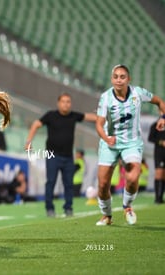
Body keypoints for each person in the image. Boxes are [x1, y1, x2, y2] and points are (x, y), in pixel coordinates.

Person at [95, 64, 165, 226]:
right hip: (109, 142)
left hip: (131, 143)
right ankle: (107, 216)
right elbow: (99, 124)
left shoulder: (137, 93)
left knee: (133, 177)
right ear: (112, 79)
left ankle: (127, 206)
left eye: (122, 77)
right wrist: (106, 138)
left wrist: (163, 118)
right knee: (103, 184)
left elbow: (160, 102)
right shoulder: (105, 97)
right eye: (115, 77)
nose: (118, 80)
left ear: (129, 79)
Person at [25, 93, 97, 217]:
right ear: (58, 103)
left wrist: (103, 115)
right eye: (63, 101)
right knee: (51, 182)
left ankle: (68, 208)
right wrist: (29, 141)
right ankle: (49, 209)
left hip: (68, 156)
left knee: (69, 183)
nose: (66, 104)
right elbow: (36, 124)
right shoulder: (50, 115)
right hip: (52, 155)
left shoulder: (73, 116)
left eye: (68, 101)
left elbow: (90, 117)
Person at [148, 119, 165, 203]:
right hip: (160, 153)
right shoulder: (155, 124)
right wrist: (161, 142)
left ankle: (161, 197)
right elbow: (150, 138)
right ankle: (158, 198)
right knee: (159, 174)